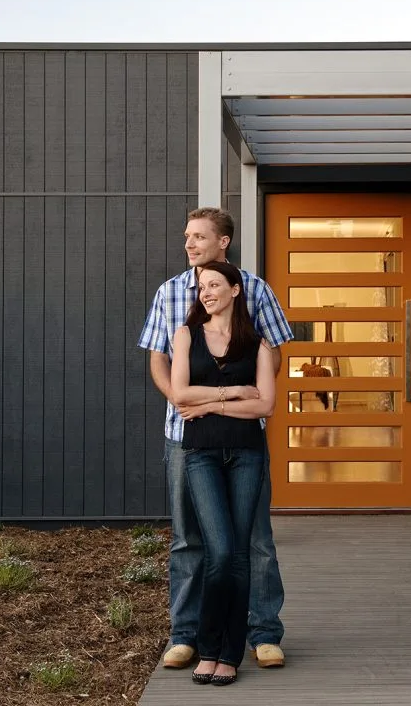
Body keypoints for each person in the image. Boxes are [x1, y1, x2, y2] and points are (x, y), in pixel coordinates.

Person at [137, 207, 292, 670]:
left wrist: (224, 402)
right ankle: (184, 635)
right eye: (186, 236)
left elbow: (273, 359)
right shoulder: (169, 294)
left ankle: (263, 632)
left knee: (256, 540)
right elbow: (159, 363)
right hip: (184, 437)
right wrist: (183, 405)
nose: (189, 244)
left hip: (245, 437)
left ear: (223, 242)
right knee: (189, 540)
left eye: (198, 236)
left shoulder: (256, 291)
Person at [171, 261, 275, 685]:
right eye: (201, 287)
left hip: (248, 453)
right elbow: (180, 394)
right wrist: (230, 392)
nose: (206, 292)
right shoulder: (186, 336)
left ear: (235, 290)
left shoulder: (259, 344)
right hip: (201, 455)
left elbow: (265, 405)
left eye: (214, 285)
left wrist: (208, 405)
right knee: (218, 552)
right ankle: (208, 647)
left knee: (238, 555)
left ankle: (230, 654)